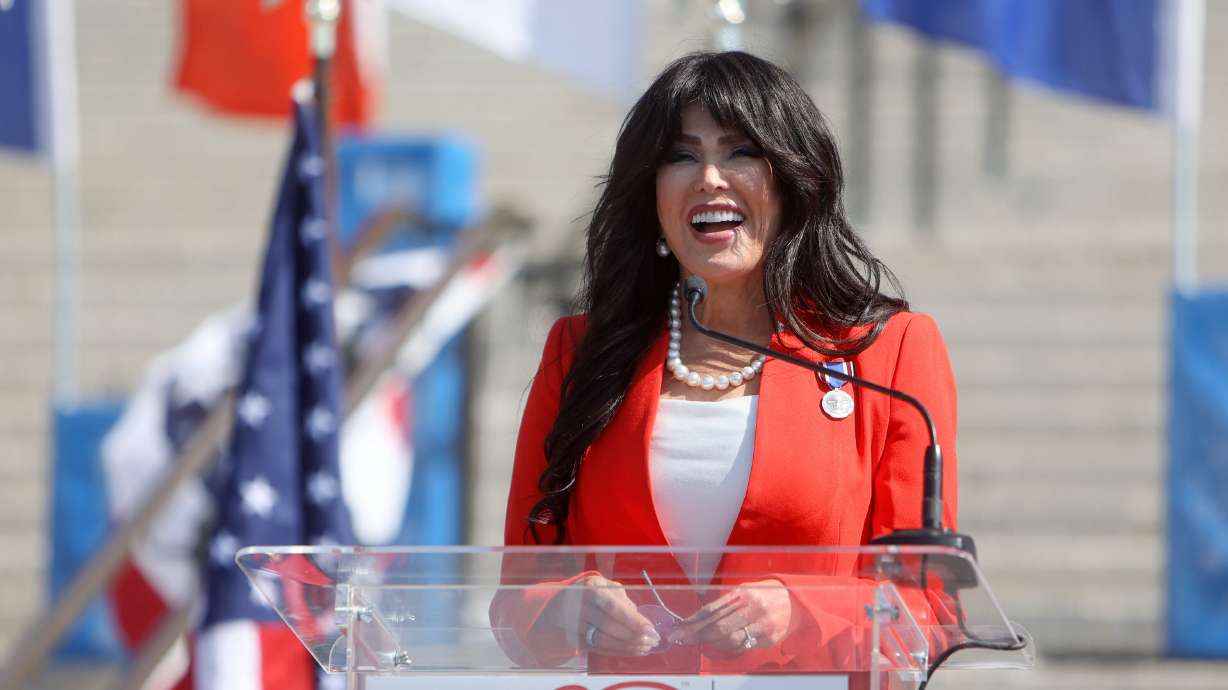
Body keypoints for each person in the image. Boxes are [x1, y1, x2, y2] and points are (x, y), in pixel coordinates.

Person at [493, 50, 959, 674]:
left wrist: (800, 613)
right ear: (650, 193)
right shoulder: (579, 353)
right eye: (681, 156)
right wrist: (566, 607)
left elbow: (929, 610)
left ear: (795, 182)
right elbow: (516, 605)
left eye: (740, 152)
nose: (709, 178)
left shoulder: (890, 354)